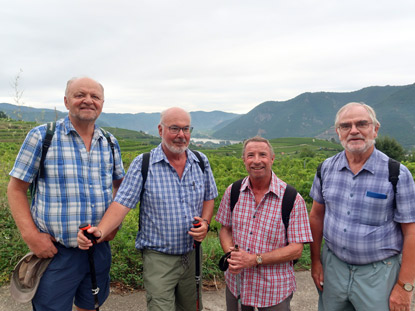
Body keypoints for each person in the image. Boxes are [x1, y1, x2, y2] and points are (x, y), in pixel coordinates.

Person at [77, 107, 218, 310]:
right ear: (160, 130)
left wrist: (205, 222)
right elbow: (122, 203)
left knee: (192, 307)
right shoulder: (143, 164)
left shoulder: (201, 161)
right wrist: (100, 231)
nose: (181, 135)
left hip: (193, 254)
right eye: (174, 128)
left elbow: (209, 198)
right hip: (159, 257)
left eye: (186, 129)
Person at [7, 77, 125, 311]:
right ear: (66, 101)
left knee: (90, 305)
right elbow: (16, 188)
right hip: (55, 252)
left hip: (98, 249)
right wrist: (31, 236)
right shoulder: (42, 137)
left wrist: (112, 227)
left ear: (102, 103)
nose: (88, 101)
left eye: (95, 97)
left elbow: (120, 187)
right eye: (80, 95)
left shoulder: (109, 142)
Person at [309, 102, 415, 311]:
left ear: (375, 129)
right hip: (334, 268)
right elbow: (316, 217)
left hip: (379, 275)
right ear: (338, 132)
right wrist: (315, 262)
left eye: (362, 124)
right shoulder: (325, 169)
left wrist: (405, 287)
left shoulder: (398, 174)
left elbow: (411, 232)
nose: (354, 131)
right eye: (346, 126)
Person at [215, 136, 313, 310]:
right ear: (244, 160)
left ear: (272, 159)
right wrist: (233, 257)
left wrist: (254, 259)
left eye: (263, 155)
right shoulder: (233, 191)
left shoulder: (292, 199)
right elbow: (225, 229)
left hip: (274, 290)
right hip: (237, 285)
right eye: (251, 155)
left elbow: (297, 249)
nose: (257, 161)